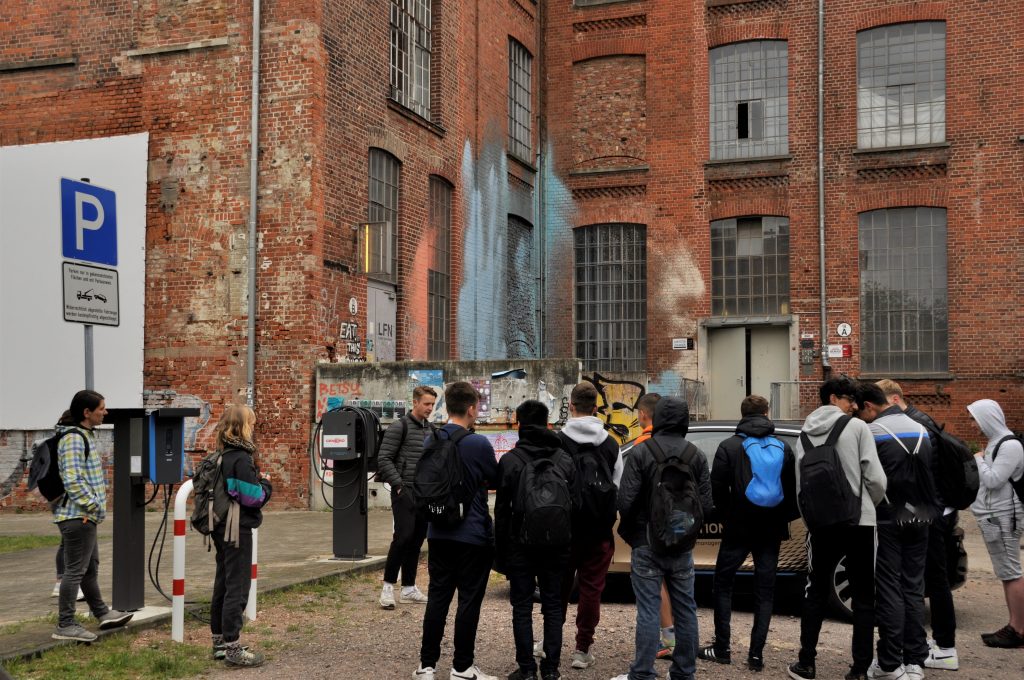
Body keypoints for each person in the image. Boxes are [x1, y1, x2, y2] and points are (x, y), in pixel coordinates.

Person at [787, 377, 886, 680]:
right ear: (833, 398)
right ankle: (858, 669)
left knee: (815, 592)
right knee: (864, 596)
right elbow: (876, 478)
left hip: (821, 525)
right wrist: (872, 504)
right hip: (859, 522)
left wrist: (811, 519)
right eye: (849, 399)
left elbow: (800, 485)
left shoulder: (803, 434)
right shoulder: (857, 428)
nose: (854, 405)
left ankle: (806, 663)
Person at [612, 395, 713, 680]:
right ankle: (683, 671)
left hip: (646, 543)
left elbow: (626, 501)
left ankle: (643, 673)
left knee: (648, 610)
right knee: (686, 608)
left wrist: (637, 532)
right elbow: (706, 505)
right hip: (682, 546)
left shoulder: (644, 452)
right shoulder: (695, 454)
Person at [699, 394, 797, 672]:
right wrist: (781, 520)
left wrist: (727, 515)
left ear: (742, 415)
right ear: (767, 413)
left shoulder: (728, 446)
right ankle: (756, 655)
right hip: (771, 529)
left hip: (738, 527)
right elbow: (790, 493)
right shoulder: (783, 447)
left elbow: (716, 490)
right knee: (765, 591)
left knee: (723, 584)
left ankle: (722, 648)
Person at [414, 382, 499, 680]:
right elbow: (494, 479)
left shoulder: (431, 440)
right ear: (472, 408)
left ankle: (426, 666)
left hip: (438, 530)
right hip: (472, 533)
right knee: (468, 601)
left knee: (438, 597)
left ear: (447, 407)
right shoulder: (478, 444)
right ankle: (462, 667)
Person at [877, 379, 961, 670]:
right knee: (923, 581)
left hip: (925, 511)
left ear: (896, 399)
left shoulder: (916, 424)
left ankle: (943, 647)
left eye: (882, 403)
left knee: (930, 580)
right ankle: (926, 650)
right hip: (929, 509)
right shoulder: (921, 422)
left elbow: (924, 473)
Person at [857, 384, 938, 680]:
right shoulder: (920, 428)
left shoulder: (874, 432)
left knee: (889, 587)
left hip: (889, 517)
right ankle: (916, 660)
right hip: (921, 514)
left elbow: (871, 477)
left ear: (869, 406)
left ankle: (890, 663)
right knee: (914, 588)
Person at [495, 400, 574, 680]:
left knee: (522, 608)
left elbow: (501, 511)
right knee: (553, 607)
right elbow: (575, 505)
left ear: (519, 426)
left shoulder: (510, 461)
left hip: (520, 545)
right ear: (548, 424)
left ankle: (527, 670)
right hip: (558, 545)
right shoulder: (564, 459)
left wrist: (501, 551)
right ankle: (551, 670)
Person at [51, 390, 133, 642]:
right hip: (79, 516)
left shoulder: (83, 435)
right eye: (101, 408)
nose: (105, 412)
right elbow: (73, 480)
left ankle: (102, 613)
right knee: (74, 571)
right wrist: (93, 505)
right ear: (87, 413)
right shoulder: (74, 439)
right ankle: (65, 624)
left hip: (84, 516)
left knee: (88, 570)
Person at [552, 382, 620, 670]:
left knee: (558, 587)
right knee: (592, 589)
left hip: (563, 529)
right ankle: (582, 649)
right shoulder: (611, 443)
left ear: (570, 405)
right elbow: (617, 486)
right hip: (598, 530)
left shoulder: (557, 441)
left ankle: (549, 641)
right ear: (596, 408)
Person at [208, 404, 273, 667]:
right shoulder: (241, 458)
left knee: (222, 584)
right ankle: (233, 648)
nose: (255, 428)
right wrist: (266, 484)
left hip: (220, 525)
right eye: (253, 424)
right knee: (238, 586)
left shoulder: (221, 454)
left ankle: (219, 642)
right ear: (244, 426)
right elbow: (251, 497)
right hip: (237, 528)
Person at [966, 399, 1024, 648]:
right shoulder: (995, 444)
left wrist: (977, 459)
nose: (972, 424)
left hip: (1004, 516)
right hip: (995, 516)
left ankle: (1019, 630)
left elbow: (993, 480)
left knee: (1011, 572)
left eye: (974, 418)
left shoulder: (1009, 445)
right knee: (1006, 572)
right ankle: (1014, 626)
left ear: (987, 418)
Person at [377, 385, 437, 609]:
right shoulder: (399, 426)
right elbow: (384, 458)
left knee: (417, 540)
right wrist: (399, 485)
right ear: (415, 403)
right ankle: (387, 588)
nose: (430, 408)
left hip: (424, 493)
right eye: (426, 404)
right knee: (402, 537)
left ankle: (409, 588)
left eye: (432, 404)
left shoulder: (431, 429)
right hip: (405, 490)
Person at [635, 394, 676, 661]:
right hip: (677, 524)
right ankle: (677, 640)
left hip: (650, 526)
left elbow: (631, 492)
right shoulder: (678, 443)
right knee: (678, 584)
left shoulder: (642, 444)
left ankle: (666, 643)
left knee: (654, 585)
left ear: (643, 414)